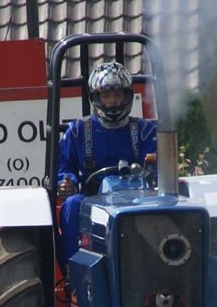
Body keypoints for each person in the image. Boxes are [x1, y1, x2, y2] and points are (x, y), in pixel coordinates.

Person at [57, 61, 157, 262]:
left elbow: (156, 171)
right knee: (72, 204)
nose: (112, 101)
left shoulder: (145, 131)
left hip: (138, 200)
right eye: (106, 95)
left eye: (117, 94)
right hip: (92, 200)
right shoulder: (77, 131)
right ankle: (73, 268)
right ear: (96, 98)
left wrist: (152, 179)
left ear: (128, 96)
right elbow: (64, 168)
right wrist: (67, 183)